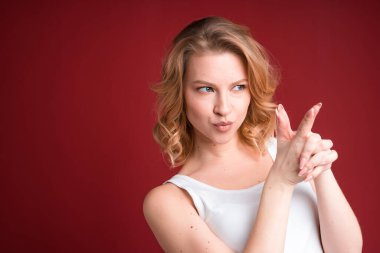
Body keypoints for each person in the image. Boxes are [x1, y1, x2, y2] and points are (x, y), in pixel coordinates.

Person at [143, 16, 362, 253]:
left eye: (238, 87)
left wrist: (321, 172)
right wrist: (279, 182)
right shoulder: (170, 201)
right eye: (206, 89)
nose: (224, 108)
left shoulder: (285, 152)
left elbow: (347, 250)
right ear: (180, 94)